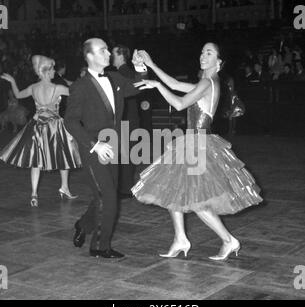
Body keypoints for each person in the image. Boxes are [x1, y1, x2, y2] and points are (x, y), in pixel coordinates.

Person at [132, 43, 263, 261]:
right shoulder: (206, 82)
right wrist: (151, 64)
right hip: (192, 142)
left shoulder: (208, 82)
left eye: (209, 53)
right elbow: (174, 83)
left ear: (218, 63)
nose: (203, 55)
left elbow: (180, 103)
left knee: (197, 200)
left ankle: (228, 240)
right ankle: (181, 239)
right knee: (174, 190)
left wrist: (156, 86)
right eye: (202, 51)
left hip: (199, 144)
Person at [64, 38, 147, 259]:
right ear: (90, 56)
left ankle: (83, 224)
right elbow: (70, 121)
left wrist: (140, 68)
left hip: (114, 146)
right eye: (103, 50)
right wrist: (94, 145)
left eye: (108, 49)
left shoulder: (115, 77)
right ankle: (99, 247)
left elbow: (138, 87)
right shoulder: (80, 87)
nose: (108, 53)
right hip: (93, 150)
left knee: (104, 195)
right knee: (109, 196)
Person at [0, 55, 81, 207]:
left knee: (35, 161)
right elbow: (77, 93)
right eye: (52, 69)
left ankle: (34, 194)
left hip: (37, 126)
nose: (54, 72)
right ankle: (64, 187)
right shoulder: (58, 88)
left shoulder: (33, 88)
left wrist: (12, 81)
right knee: (64, 157)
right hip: (54, 126)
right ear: (47, 71)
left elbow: (17, 95)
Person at [112, 44, 141, 198]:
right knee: (126, 153)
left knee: (126, 153)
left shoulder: (124, 72)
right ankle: (124, 187)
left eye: (113, 53)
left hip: (127, 119)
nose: (111, 56)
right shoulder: (123, 72)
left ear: (121, 55)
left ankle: (125, 188)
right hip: (128, 118)